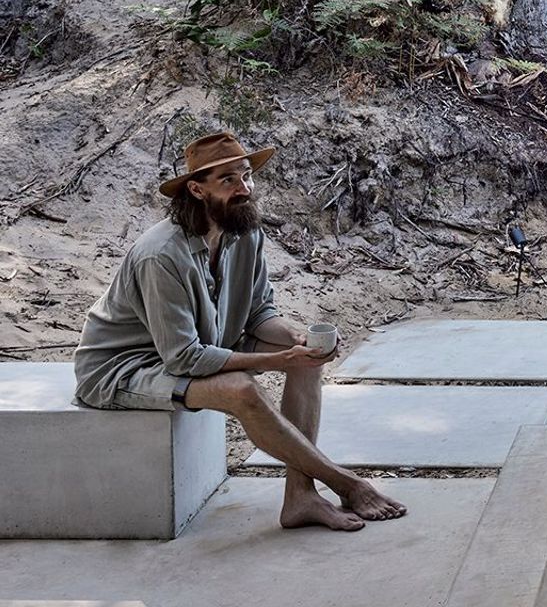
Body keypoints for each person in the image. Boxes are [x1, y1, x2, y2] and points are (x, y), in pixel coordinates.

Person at [73, 130, 408, 532]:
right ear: (196, 190)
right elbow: (183, 358)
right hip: (124, 369)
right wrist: (273, 359)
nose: (244, 188)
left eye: (246, 176)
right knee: (242, 390)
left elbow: (259, 312)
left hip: (199, 345)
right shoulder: (161, 256)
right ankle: (347, 484)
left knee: (306, 362)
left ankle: (300, 497)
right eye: (228, 180)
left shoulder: (245, 232)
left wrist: (297, 340)